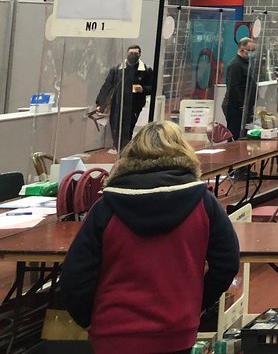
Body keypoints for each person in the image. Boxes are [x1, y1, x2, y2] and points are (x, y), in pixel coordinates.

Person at [58, 121, 239, 354]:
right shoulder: (204, 203)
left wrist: (88, 319)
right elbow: (227, 263)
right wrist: (196, 305)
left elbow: (75, 276)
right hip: (176, 331)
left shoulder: (105, 208)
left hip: (112, 333)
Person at [95, 45, 155, 150]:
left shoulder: (146, 70)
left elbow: (152, 87)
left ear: (140, 55)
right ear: (127, 54)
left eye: (136, 53)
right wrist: (100, 103)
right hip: (117, 104)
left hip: (134, 105)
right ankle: (120, 150)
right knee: (115, 129)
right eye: (131, 53)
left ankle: (124, 152)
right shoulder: (117, 69)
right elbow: (107, 86)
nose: (133, 55)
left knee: (128, 130)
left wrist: (143, 89)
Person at [222, 36, 257, 139]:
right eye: (251, 50)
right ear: (242, 50)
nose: (253, 53)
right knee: (237, 137)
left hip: (246, 108)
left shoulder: (246, 63)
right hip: (236, 109)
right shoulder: (235, 65)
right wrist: (242, 104)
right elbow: (233, 87)